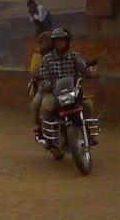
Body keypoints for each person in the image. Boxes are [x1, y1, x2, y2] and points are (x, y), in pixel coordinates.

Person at [37, 27, 96, 156]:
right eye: (56, 41)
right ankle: (49, 141)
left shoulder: (74, 56)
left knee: (88, 105)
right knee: (46, 107)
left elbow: (84, 68)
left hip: (73, 91)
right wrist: (45, 83)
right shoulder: (47, 58)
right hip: (54, 92)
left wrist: (90, 73)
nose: (59, 43)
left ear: (67, 41)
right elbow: (42, 74)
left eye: (62, 40)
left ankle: (89, 134)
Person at [29, 30, 53, 143]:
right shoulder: (39, 55)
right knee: (36, 104)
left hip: (62, 87)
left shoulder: (61, 54)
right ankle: (40, 127)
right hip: (45, 87)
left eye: (42, 42)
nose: (40, 45)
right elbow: (34, 71)